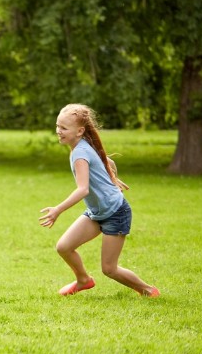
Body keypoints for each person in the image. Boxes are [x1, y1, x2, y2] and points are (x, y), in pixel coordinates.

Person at [39, 103, 159, 297]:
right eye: (57, 126)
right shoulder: (83, 145)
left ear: (79, 131)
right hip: (97, 213)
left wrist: (58, 209)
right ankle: (83, 280)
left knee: (109, 269)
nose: (58, 131)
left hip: (115, 213)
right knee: (64, 247)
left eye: (63, 128)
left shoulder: (79, 152)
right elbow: (107, 161)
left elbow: (83, 190)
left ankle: (148, 291)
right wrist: (110, 178)